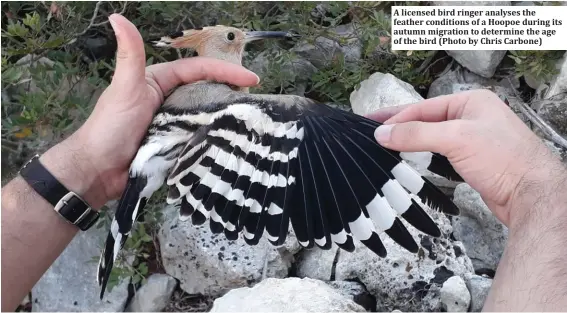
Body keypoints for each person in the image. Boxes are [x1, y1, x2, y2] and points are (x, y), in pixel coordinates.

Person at [2, 13, 566, 311]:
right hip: (163, 151)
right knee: (304, 114)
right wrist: (539, 190)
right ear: (214, 47)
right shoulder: (251, 104)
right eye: (233, 37)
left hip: (158, 152)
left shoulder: (200, 98)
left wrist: (88, 168)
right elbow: (298, 135)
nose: (245, 40)